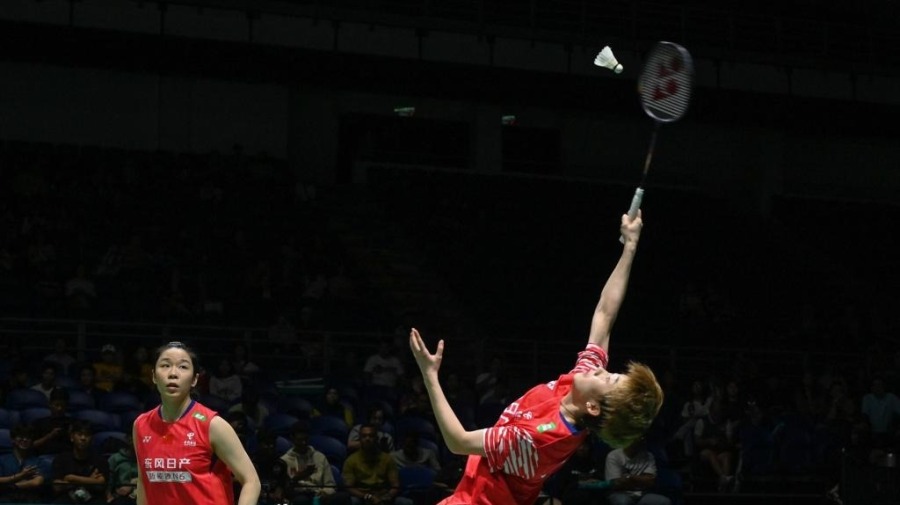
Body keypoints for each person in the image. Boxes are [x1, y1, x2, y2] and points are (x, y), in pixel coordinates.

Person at [408, 211, 663, 505]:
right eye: (611, 372)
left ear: (593, 407)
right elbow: (605, 315)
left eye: (607, 379)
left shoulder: (538, 440)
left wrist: (430, 375)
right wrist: (630, 246)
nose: (601, 370)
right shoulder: (580, 389)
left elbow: (458, 442)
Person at [132, 341, 260, 505]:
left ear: (194, 380)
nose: (173, 373)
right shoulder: (141, 425)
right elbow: (143, 482)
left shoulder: (213, 425)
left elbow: (251, 481)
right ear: (154, 377)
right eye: (165, 365)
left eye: (183, 367)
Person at [280, 420, 349, 505]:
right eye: (300, 440)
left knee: (343, 497)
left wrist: (324, 493)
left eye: (305, 439)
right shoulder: (284, 461)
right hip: (299, 495)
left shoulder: (320, 457)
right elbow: (285, 489)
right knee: (301, 500)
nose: (303, 443)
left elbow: (330, 484)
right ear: (292, 439)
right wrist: (298, 478)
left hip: (320, 495)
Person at [341, 425, 411, 505]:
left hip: (384, 496)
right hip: (362, 497)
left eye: (371, 436)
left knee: (405, 502)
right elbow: (349, 487)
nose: (367, 439)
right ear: (359, 439)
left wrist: (385, 497)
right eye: (364, 436)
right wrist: (368, 497)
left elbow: (395, 485)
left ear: (377, 439)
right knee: (353, 501)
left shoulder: (387, 459)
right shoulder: (350, 461)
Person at [50, 419, 108, 504]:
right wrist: (90, 481)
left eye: (87, 435)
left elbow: (101, 484)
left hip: (93, 500)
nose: (83, 438)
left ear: (92, 438)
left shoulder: (100, 460)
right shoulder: (61, 459)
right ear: (72, 437)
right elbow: (57, 487)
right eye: (79, 434)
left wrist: (71, 478)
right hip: (67, 499)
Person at [604, 438, 671, 505]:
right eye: (638, 439)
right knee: (623, 502)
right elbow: (616, 484)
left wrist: (630, 477)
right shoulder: (614, 455)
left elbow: (650, 481)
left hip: (641, 493)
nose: (643, 441)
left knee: (664, 501)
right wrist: (641, 480)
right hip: (620, 493)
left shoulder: (648, 455)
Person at [0, 423, 47, 503]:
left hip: (31, 500)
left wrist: (9, 485)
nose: (25, 439)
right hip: (5, 500)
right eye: (21, 436)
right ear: (13, 439)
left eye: (28, 437)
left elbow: (36, 482)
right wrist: (21, 475)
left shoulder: (39, 461)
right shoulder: (2, 460)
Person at [106, 432, 137, 504]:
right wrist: (109, 496)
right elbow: (108, 481)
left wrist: (132, 486)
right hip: (120, 496)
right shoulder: (115, 458)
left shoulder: (148, 459)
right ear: (128, 439)